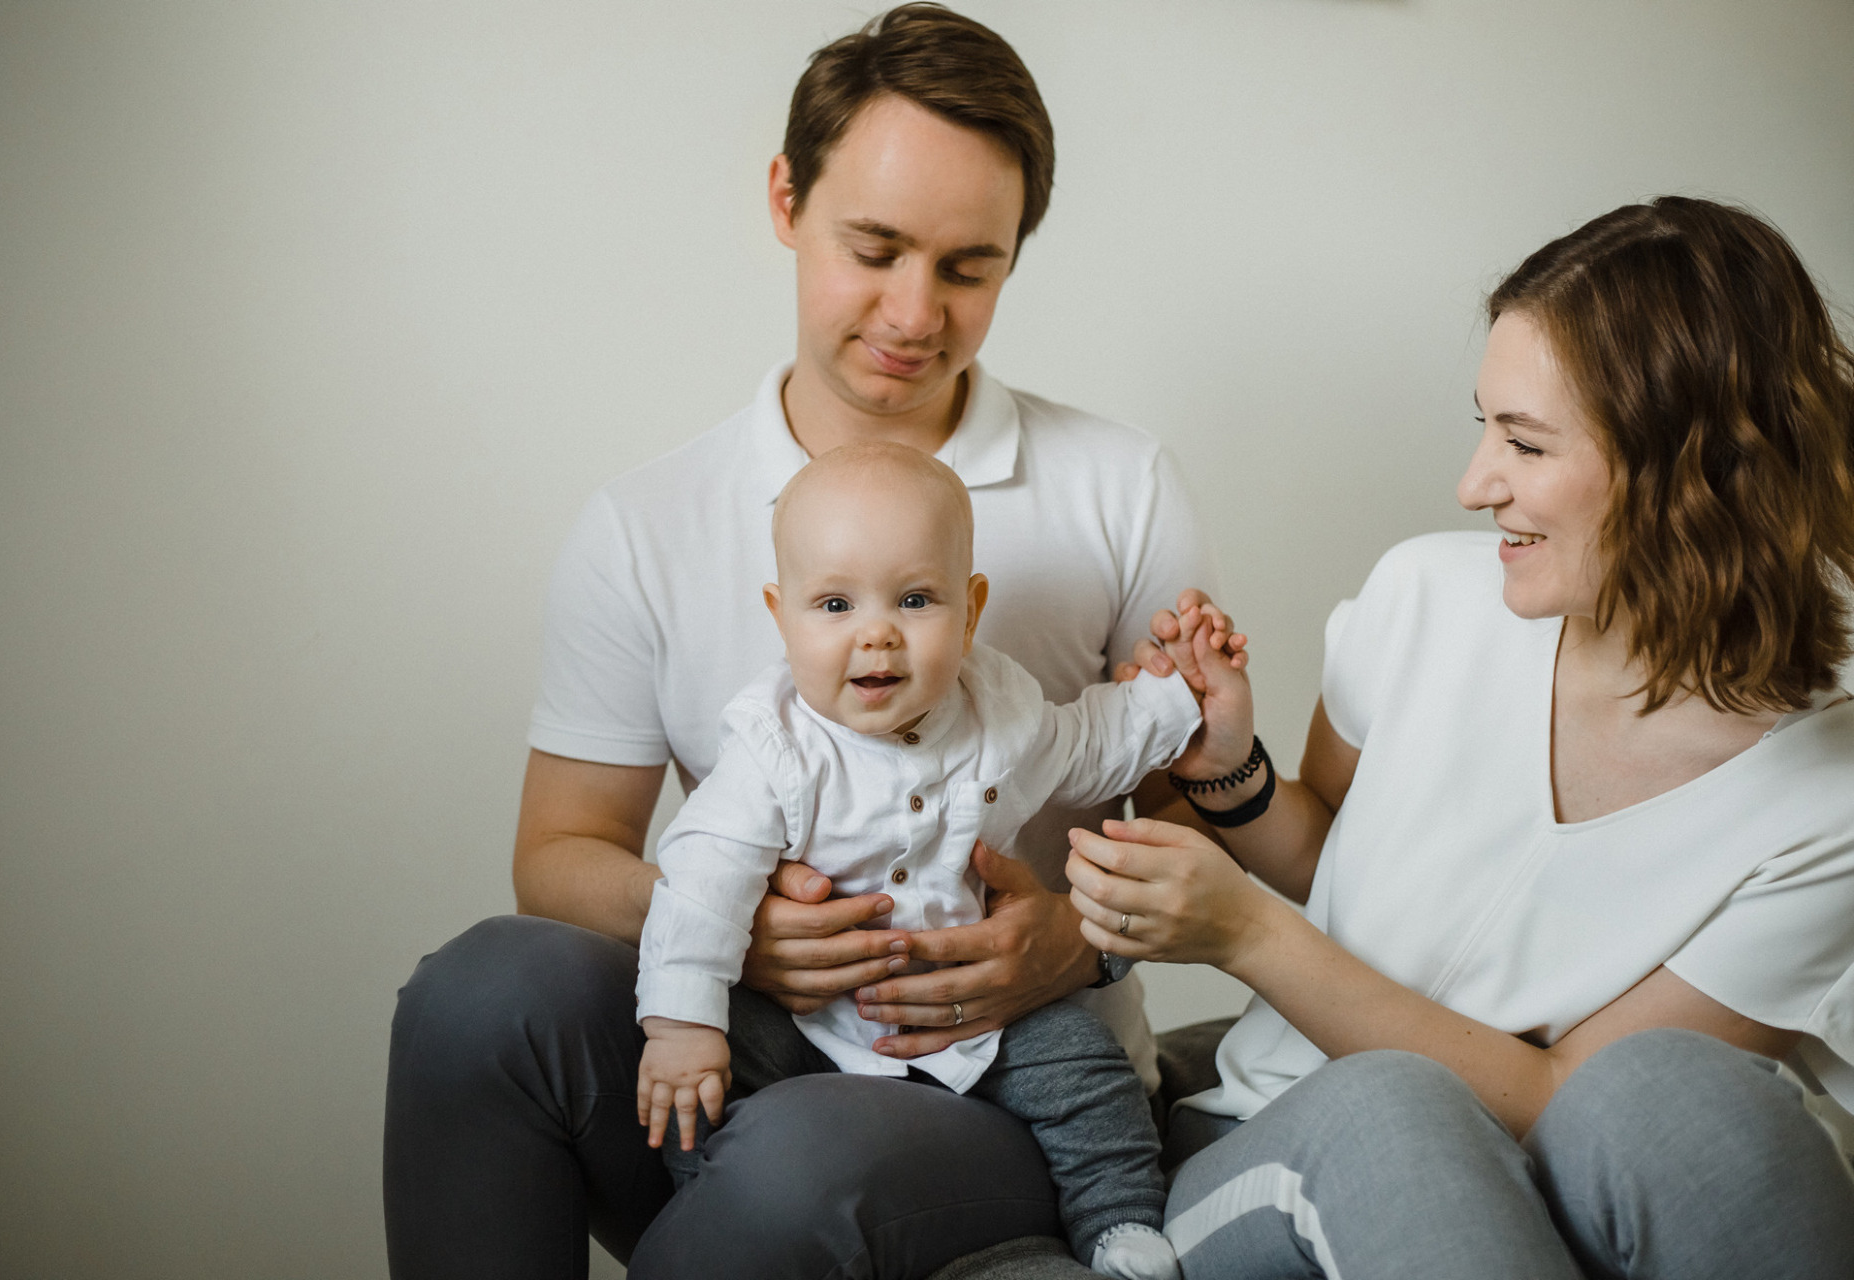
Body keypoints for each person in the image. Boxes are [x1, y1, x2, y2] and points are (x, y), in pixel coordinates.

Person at [382, 7, 1211, 1278]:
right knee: (477, 995)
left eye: (968, 267)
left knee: (793, 1166)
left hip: (999, 1075)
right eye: (871, 247)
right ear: (786, 198)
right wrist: (730, 924)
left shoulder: (1116, 484)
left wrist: (1073, 943)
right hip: (754, 1028)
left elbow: (1181, 807)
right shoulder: (648, 522)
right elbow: (556, 857)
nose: (912, 311)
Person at [1072, 195, 1854, 1279]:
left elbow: (1569, 1100)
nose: (1475, 482)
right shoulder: (1426, 592)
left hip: (1546, 1163)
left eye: (1524, 442)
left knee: (1695, 1105)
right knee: (1395, 1109)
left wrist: (1246, 933)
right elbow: (1329, 850)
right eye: (1483, 423)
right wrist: (1230, 775)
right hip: (1285, 1132)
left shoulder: (1825, 801)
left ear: (1692, 478)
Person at [636, 443, 1245, 1279]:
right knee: (708, 1076)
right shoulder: (773, 744)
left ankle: (1120, 1226)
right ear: (781, 617)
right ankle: (713, 1209)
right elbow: (702, 879)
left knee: (1087, 1070)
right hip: (813, 1018)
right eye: (835, 604)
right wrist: (680, 1025)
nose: (877, 633)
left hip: (982, 1015)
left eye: (916, 599)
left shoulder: (1000, 713)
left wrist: (1180, 692)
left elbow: (1094, 743)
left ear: (969, 611)